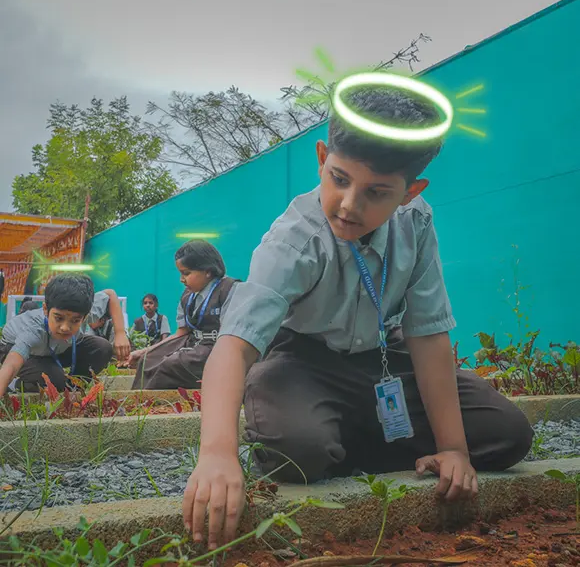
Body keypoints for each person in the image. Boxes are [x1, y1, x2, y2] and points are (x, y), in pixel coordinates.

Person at [181, 85, 534, 549]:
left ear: (410, 193)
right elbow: (234, 346)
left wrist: (453, 449)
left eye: (377, 193)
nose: (349, 204)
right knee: (300, 453)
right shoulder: (293, 239)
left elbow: (428, 337)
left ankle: (349, 439)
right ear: (322, 157)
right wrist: (216, 454)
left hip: (382, 360)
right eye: (339, 179)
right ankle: (331, 433)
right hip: (301, 361)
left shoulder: (417, 224)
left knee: (507, 434)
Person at [128, 240, 239, 390]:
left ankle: (158, 405)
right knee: (148, 360)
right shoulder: (187, 295)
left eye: (186, 273)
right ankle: (137, 406)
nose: (182, 279)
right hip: (191, 342)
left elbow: (235, 337)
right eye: (180, 273)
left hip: (219, 348)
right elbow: (181, 333)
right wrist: (145, 351)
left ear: (208, 271)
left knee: (171, 364)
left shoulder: (230, 290)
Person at [0, 273, 114, 395]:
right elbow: (11, 364)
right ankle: (18, 385)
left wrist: (120, 333)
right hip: (17, 350)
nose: (65, 327)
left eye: (75, 321)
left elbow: (110, 294)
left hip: (55, 349)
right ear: (45, 309)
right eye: (59, 318)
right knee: (54, 381)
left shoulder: (84, 310)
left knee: (102, 347)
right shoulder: (33, 330)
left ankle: (72, 389)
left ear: (85, 316)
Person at [83, 289, 131, 361]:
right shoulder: (91, 328)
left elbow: (110, 293)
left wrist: (120, 333)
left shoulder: (112, 328)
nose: (89, 322)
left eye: (93, 318)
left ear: (102, 320)